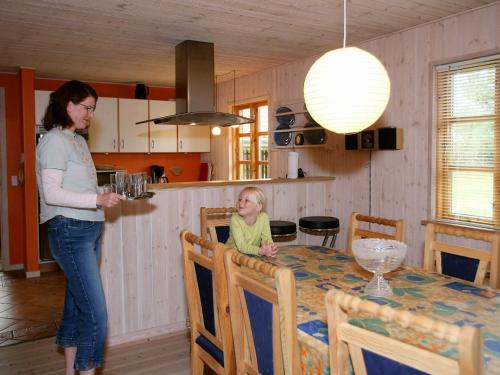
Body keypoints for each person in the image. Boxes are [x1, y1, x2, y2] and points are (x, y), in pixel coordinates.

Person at [36, 80, 123, 375]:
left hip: (89, 229)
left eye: (93, 109)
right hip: (69, 231)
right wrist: (96, 197)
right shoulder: (53, 141)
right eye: (87, 107)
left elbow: (80, 187)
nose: (90, 114)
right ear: (67, 104)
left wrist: (104, 192)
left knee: (75, 306)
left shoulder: (78, 141)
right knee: (96, 314)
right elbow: (52, 193)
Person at [226, 186, 278, 257]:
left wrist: (269, 247)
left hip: (251, 256)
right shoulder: (235, 219)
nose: (241, 202)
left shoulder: (263, 217)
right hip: (231, 257)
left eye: (246, 200)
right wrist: (260, 251)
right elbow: (241, 246)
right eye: (240, 199)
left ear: (258, 207)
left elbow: (267, 238)